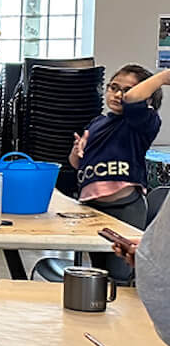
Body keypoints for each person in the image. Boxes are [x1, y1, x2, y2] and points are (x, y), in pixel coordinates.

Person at [70, 64, 168, 278]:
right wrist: (76, 152)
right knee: (98, 272)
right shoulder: (98, 123)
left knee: (119, 274)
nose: (118, 94)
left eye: (126, 89)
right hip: (93, 208)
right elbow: (77, 164)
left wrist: (162, 78)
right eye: (113, 87)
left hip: (125, 208)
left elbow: (133, 99)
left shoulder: (143, 122)